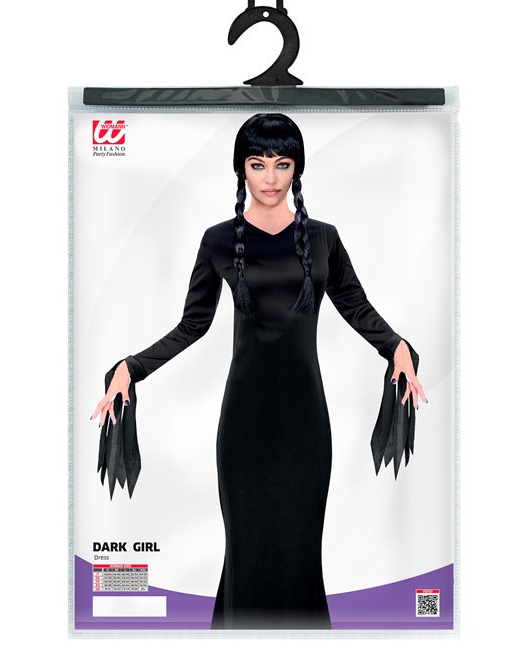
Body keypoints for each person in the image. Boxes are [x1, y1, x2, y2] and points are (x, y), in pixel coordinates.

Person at [91, 113, 426, 630]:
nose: (270, 178)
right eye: (257, 164)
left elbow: (356, 307)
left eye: (282, 164)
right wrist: (130, 369)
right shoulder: (218, 241)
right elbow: (192, 325)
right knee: (246, 551)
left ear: (297, 169)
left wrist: (397, 347)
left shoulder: (324, 239)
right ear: (241, 169)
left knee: (299, 555)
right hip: (245, 425)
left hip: (305, 424)